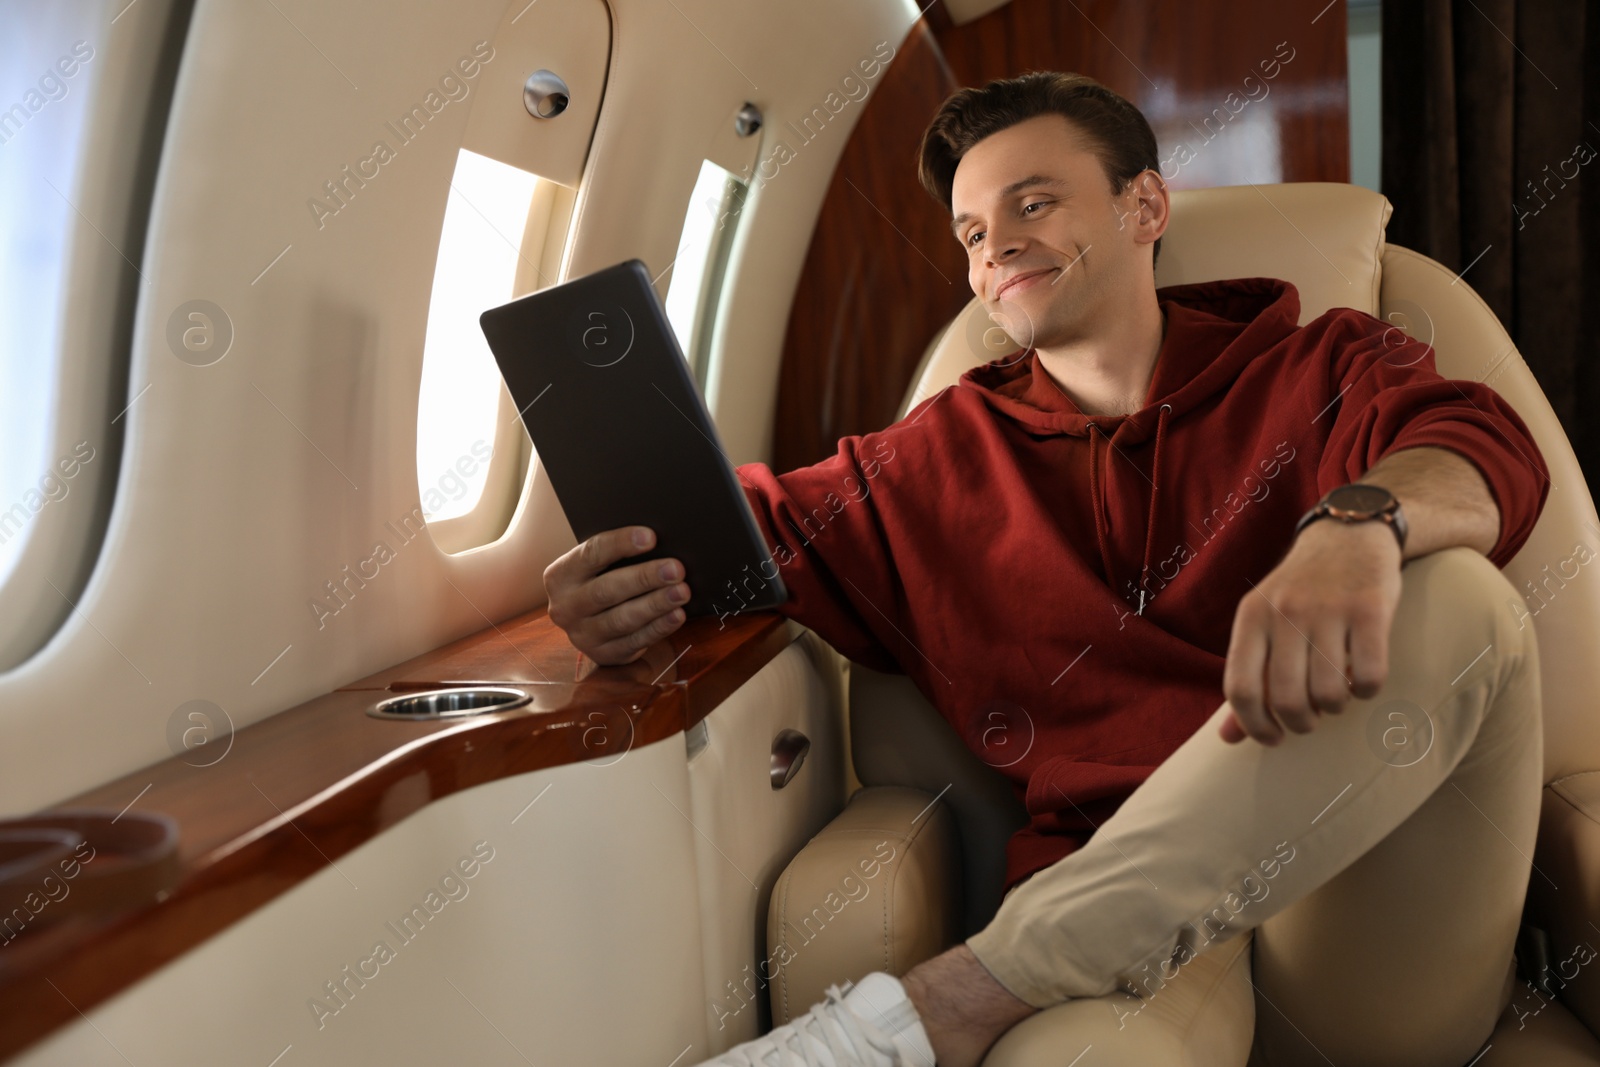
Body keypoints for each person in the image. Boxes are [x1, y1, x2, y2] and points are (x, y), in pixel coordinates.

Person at [543, 72, 1550, 1067]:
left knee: (1458, 590)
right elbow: (729, 533)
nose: (997, 246)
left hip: (1367, 906)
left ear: (1143, 205)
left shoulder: (1323, 363)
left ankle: (945, 1004)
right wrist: (609, 582)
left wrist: (1355, 522)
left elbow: (1475, 443)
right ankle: (994, 986)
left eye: (1033, 203)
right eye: (972, 233)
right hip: (1120, 935)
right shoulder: (928, 460)